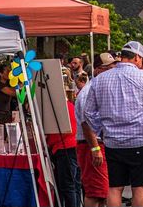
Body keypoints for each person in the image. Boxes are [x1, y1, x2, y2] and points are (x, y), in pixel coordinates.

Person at [78, 41, 143, 207]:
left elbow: (88, 113)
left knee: (114, 187)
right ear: (137, 57)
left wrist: (100, 129)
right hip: (141, 140)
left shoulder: (99, 80)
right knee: (139, 187)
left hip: (112, 142)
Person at [76, 53, 115, 207]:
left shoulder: (97, 88)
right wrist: (95, 148)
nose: (113, 72)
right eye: (109, 69)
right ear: (98, 70)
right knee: (95, 192)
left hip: (97, 144)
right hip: (92, 145)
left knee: (103, 191)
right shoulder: (89, 91)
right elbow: (86, 122)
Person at [47, 70, 81, 207]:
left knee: (67, 185)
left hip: (64, 148)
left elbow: (54, 134)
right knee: (75, 184)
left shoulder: (59, 109)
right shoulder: (71, 106)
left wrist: (48, 143)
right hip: (73, 146)